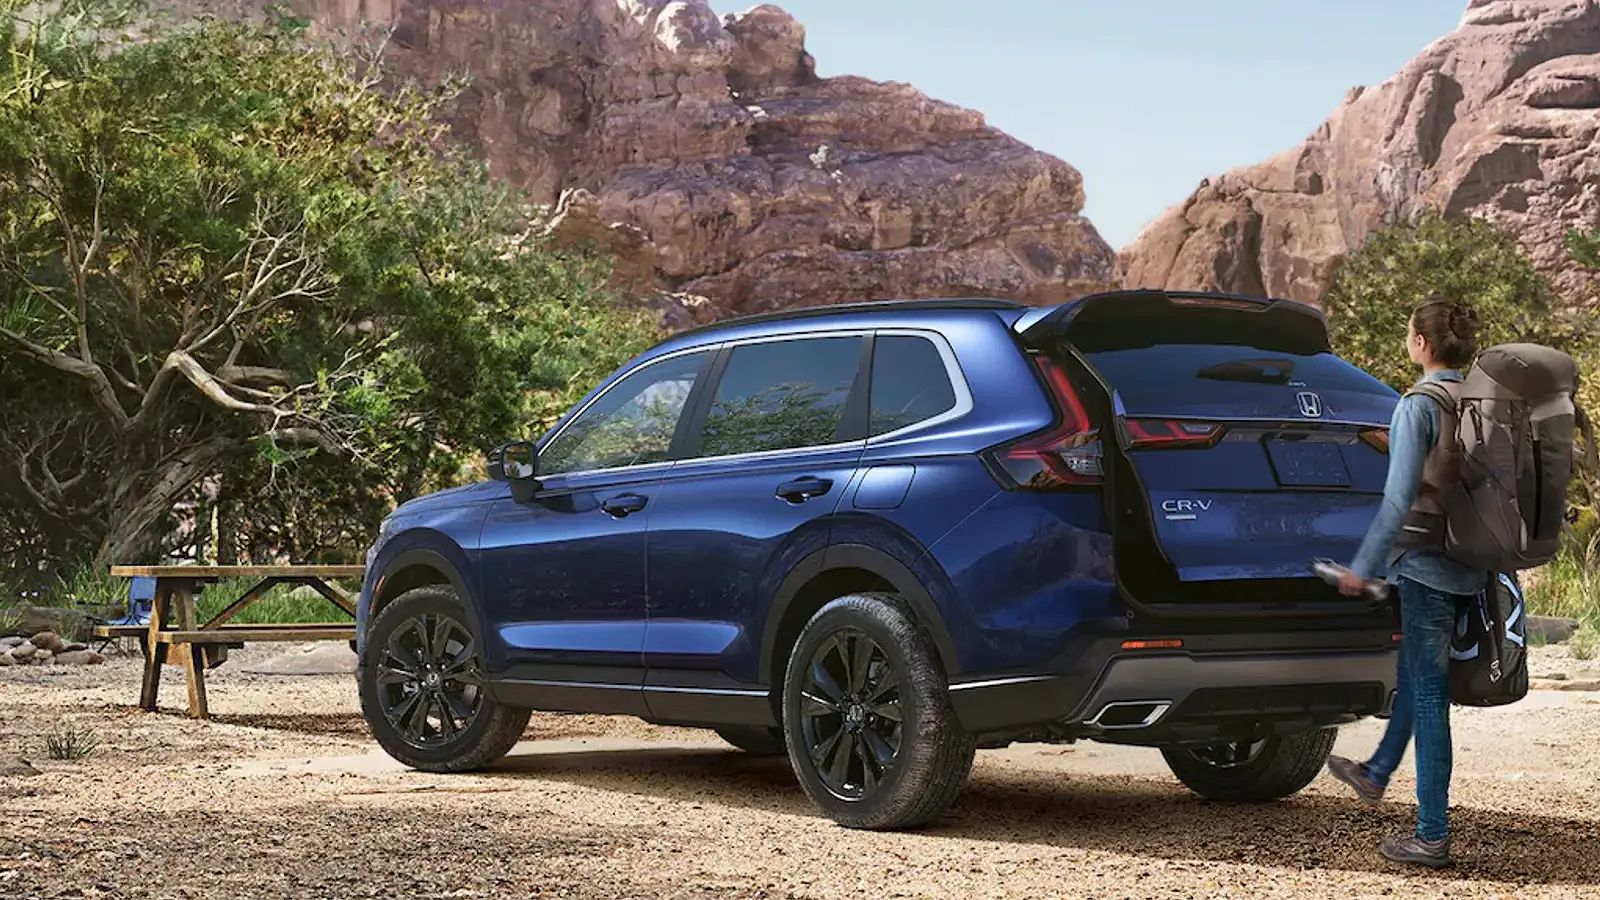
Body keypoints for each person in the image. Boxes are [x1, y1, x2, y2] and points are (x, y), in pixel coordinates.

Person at [1325, 295, 1488, 869]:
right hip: (1472, 562)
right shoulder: (1481, 399)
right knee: (1416, 674)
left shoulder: (1416, 405)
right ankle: (1375, 773)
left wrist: (1361, 568)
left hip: (1423, 565)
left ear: (1421, 343)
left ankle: (1432, 834)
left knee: (1429, 694)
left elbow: (1398, 501)